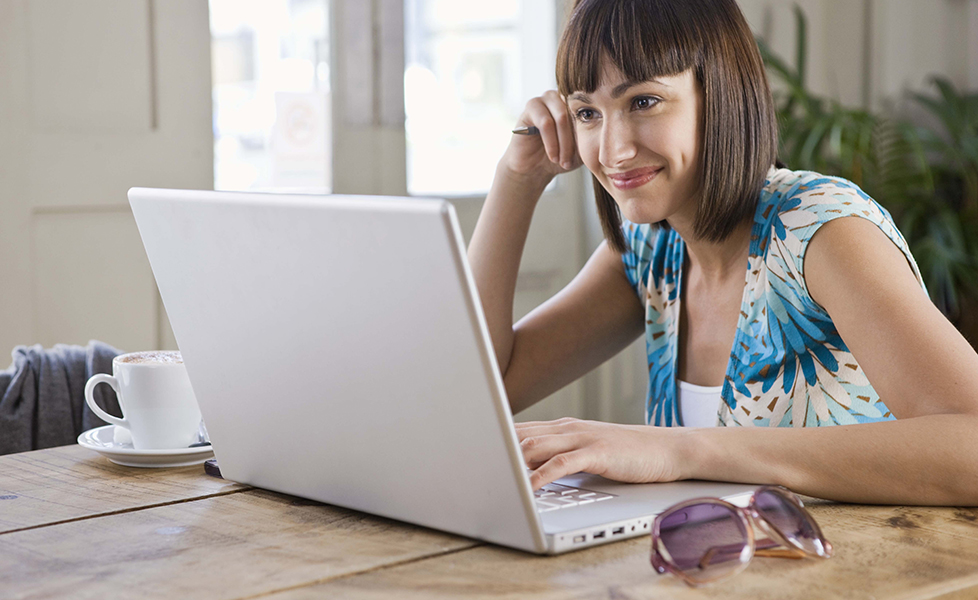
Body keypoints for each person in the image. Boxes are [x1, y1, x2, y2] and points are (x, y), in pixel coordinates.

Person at [467, 0, 978, 506]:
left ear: (721, 94)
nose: (612, 150)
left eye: (644, 101)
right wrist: (517, 179)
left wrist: (682, 450)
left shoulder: (820, 230)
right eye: (587, 113)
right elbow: (481, 389)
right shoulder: (653, 250)